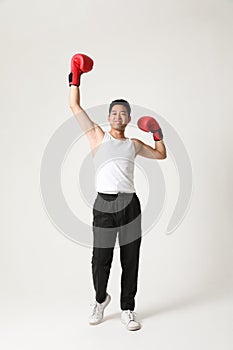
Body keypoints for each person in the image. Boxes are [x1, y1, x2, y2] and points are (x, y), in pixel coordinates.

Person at [68, 53, 167, 331]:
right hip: (104, 204)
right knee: (101, 258)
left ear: (129, 118)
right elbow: (74, 106)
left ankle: (127, 308)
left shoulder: (134, 144)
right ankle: (100, 300)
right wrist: (75, 76)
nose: (118, 116)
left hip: (130, 205)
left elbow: (161, 155)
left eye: (123, 113)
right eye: (114, 112)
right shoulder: (97, 136)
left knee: (130, 258)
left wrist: (157, 132)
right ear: (109, 117)